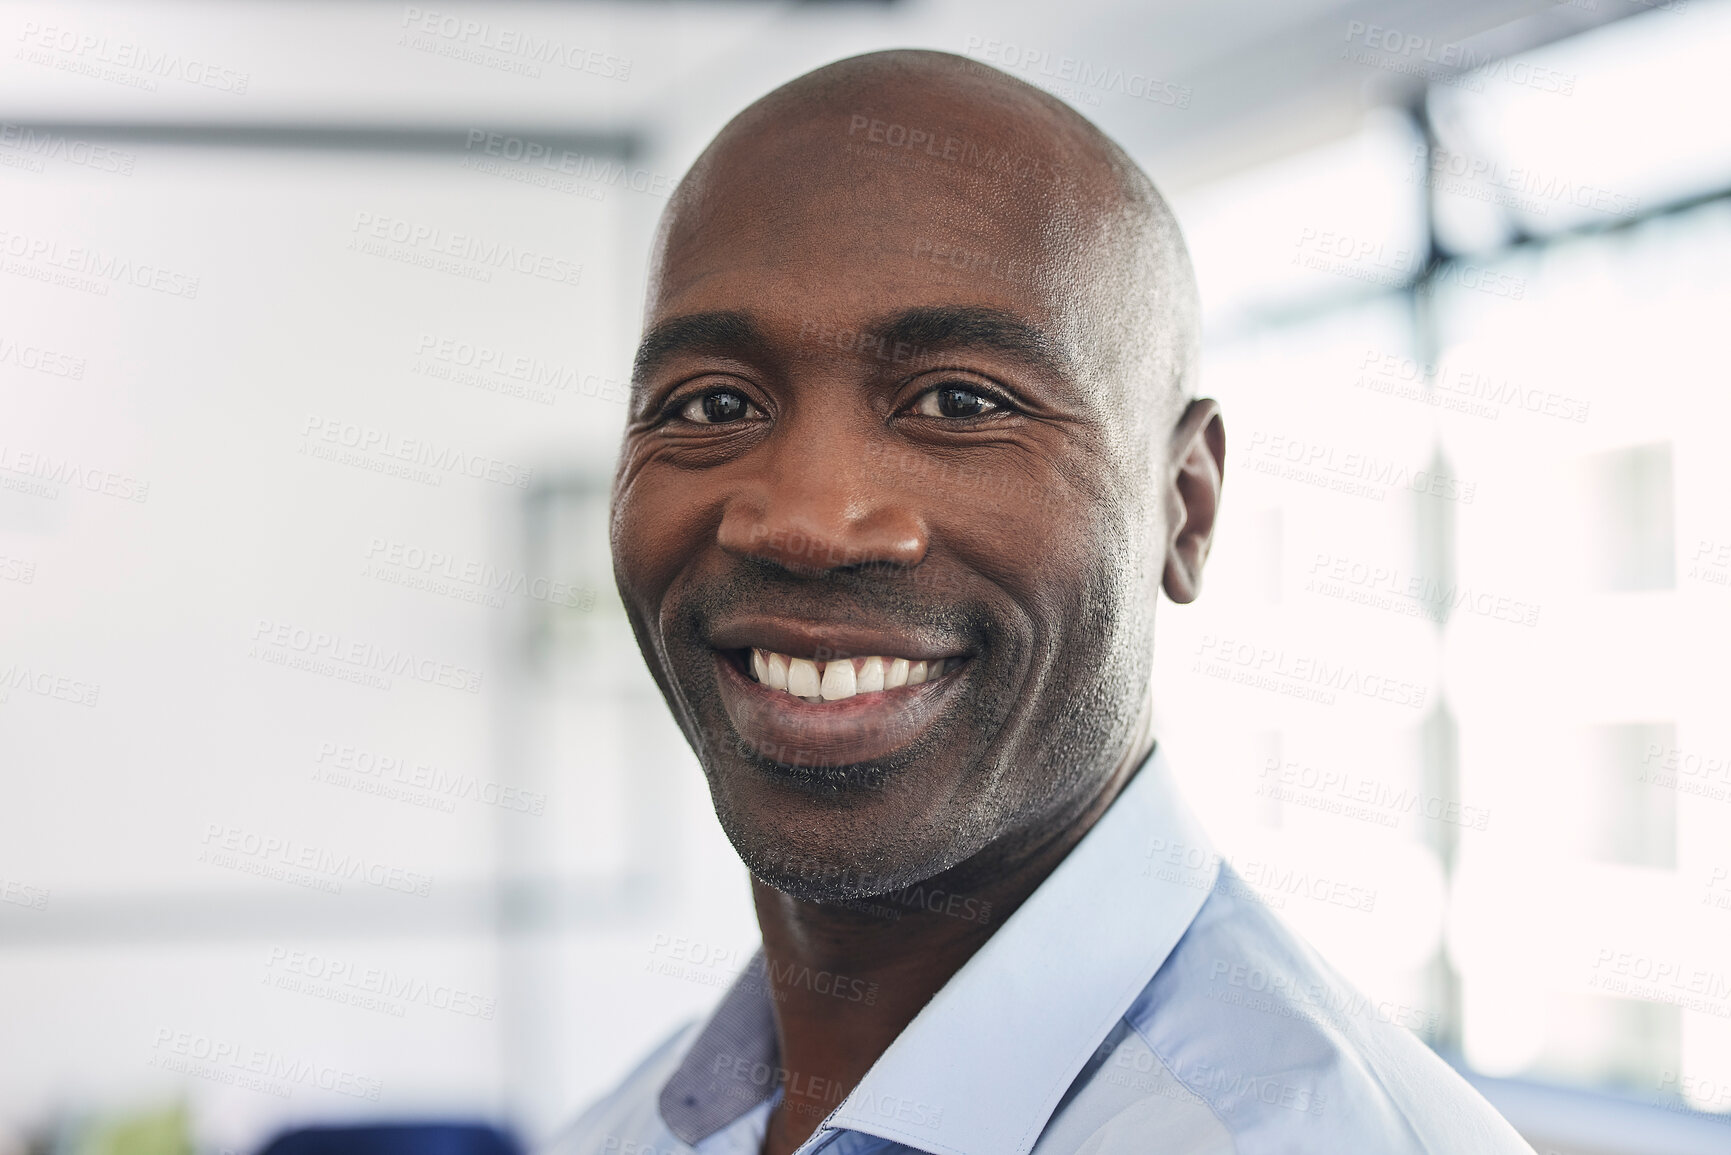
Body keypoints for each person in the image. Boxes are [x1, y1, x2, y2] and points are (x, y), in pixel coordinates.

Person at [554, 49, 1533, 1155]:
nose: (806, 521)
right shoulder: (637, 1123)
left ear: (1186, 509)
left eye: (960, 400)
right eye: (713, 401)